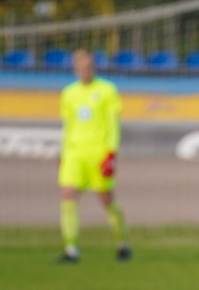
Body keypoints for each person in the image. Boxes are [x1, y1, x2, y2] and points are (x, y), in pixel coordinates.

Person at [57, 48, 130, 262]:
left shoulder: (107, 90)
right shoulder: (68, 93)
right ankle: (71, 249)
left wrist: (111, 153)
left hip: (99, 152)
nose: (84, 70)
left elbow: (113, 124)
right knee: (68, 194)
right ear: (75, 68)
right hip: (74, 153)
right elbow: (68, 126)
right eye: (80, 66)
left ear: (93, 67)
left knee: (106, 199)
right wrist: (64, 152)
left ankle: (122, 242)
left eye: (88, 66)